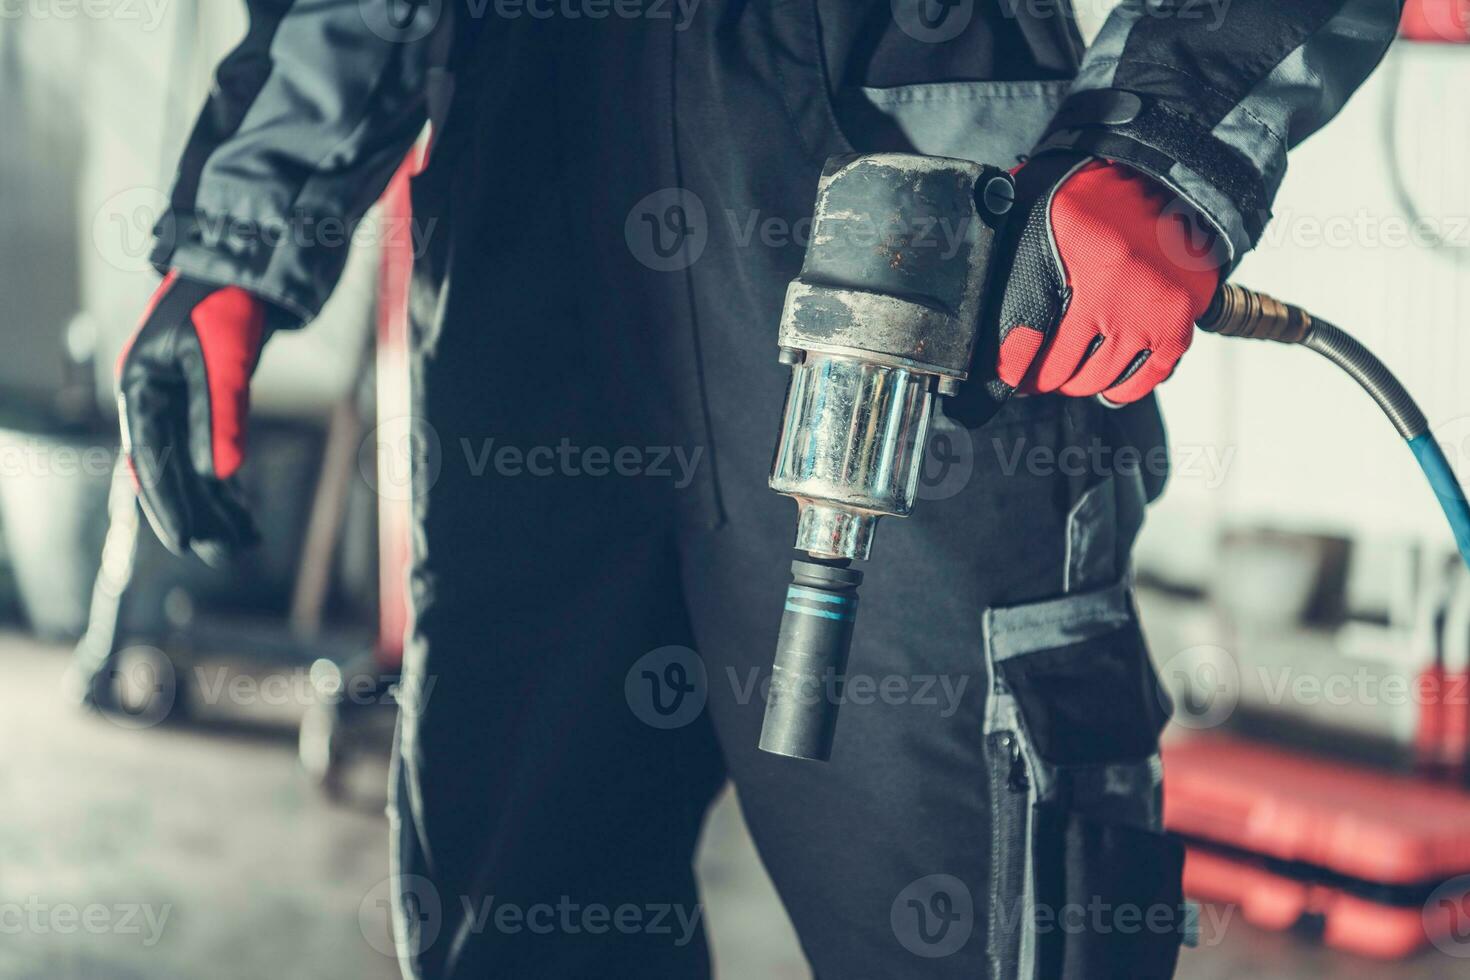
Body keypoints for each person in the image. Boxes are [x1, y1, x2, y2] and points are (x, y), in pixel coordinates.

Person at [116, 2, 1401, 976]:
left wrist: (1162, 138)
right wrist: (243, 222)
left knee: (985, 924)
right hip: (533, 252)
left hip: (921, 212)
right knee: (519, 916)